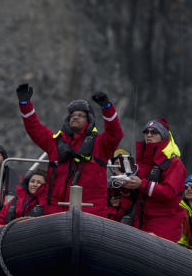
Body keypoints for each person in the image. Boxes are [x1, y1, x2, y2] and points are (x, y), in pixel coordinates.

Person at [15, 83, 122, 218]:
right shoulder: (55, 142)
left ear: (89, 120)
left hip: (91, 214)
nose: (75, 117)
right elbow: (34, 129)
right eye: (72, 115)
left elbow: (115, 134)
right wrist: (25, 104)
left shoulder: (100, 145)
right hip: (55, 213)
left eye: (81, 115)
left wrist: (107, 108)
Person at [121, 117, 186, 240]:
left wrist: (141, 184)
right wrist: (126, 184)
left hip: (163, 226)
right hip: (141, 222)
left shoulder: (174, 163)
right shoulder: (143, 162)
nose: (149, 135)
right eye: (146, 132)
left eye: (154, 132)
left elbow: (168, 193)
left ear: (163, 136)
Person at [106, 149, 135, 224]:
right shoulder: (108, 186)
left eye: (122, 164)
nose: (119, 167)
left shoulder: (135, 184)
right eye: (117, 163)